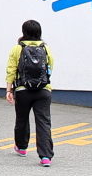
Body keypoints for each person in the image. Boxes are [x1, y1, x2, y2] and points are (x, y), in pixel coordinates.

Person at [6, 19, 55, 167]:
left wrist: (9, 89)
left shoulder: (17, 48)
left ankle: (21, 147)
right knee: (43, 122)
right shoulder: (45, 48)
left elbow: (11, 69)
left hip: (23, 90)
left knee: (22, 119)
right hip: (43, 91)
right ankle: (45, 156)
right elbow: (50, 67)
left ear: (24, 32)